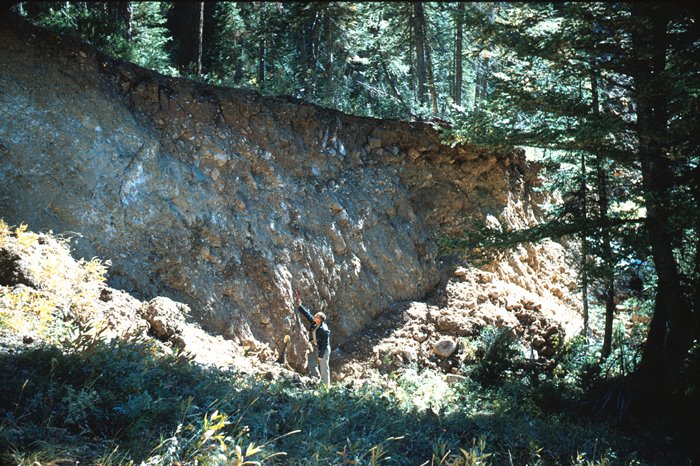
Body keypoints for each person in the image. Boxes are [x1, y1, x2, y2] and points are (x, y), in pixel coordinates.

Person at [294, 292, 331, 386]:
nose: (314, 317)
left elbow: (325, 344)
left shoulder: (324, 330)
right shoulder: (315, 323)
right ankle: (316, 379)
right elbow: (308, 315)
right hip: (315, 347)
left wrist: (321, 355)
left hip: (323, 350)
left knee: (324, 368)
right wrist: (299, 306)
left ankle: (326, 387)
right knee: (311, 361)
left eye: (316, 316)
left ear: (320, 319)